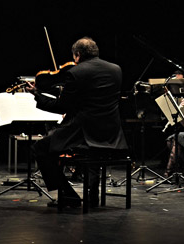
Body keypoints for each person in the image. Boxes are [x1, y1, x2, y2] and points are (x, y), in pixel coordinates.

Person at [27, 37, 128, 208]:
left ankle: (69, 195)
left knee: (40, 148)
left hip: (84, 133)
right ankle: (92, 195)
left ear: (78, 54)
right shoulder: (116, 69)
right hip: (112, 133)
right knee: (92, 153)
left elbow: (61, 106)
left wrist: (37, 95)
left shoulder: (76, 72)